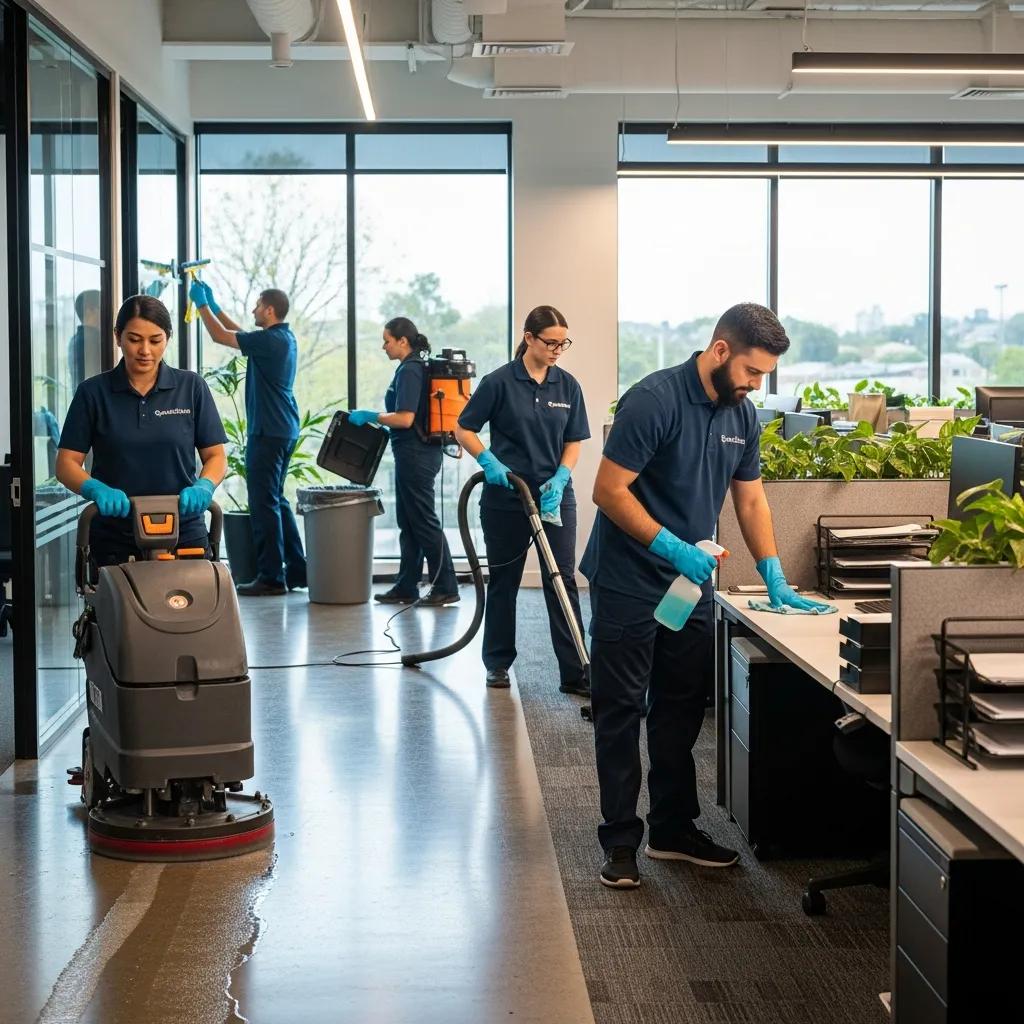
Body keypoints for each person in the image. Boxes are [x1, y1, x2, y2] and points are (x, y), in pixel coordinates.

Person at [580, 302, 834, 890]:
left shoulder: (741, 417)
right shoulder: (654, 400)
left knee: (680, 706)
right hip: (628, 579)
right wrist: (671, 545)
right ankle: (620, 840)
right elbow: (608, 491)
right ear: (720, 351)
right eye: (750, 371)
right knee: (621, 709)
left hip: (687, 586)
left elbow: (751, 499)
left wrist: (773, 573)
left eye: (764, 376)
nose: (754, 385)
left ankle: (672, 829)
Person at [455, 305, 591, 696]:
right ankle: (497, 664)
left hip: (553, 498)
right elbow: (463, 427)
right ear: (529, 338)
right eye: (550, 342)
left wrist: (563, 475)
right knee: (504, 581)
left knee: (561, 581)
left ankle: (576, 671)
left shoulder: (567, 386)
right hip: (507, 496)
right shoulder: (499, 382)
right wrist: (487, 460)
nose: (557, 350)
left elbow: (573, 441)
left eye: (562, 343)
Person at [55, 295, 226, 567]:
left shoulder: (191, 388)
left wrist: (204, 486)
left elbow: (216, 456)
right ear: (117, 336)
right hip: (115, 534)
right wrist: (95, 489)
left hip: (183, 532)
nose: (145, 350)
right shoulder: (93, 393)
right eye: (134, 339)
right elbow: (66, 463)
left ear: (167, 338)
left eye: (155, 340)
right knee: (119, 609)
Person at [191, 281, 307, 596]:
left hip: (268, 431)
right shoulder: (281, 338)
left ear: (269, 309)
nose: (254, 310)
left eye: (257, 305)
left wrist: (201, 305)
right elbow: (241, 334)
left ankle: (271, 577)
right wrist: (215, 308)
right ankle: (297, 570)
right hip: (283, 429)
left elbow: (220, 336)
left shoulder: (271, 341)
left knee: (263, 503)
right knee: (277, 501)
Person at [348, 318, 460, 607]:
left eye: (386, 340)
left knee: (422, 520)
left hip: (416, 455)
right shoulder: (414, 366)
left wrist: (371, 416)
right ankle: (406, 585)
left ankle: (446, 585)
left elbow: (405, 418)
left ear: (402, 341)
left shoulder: (410, 370)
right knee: (409, 521)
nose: (383, 346)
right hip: (415, 452)